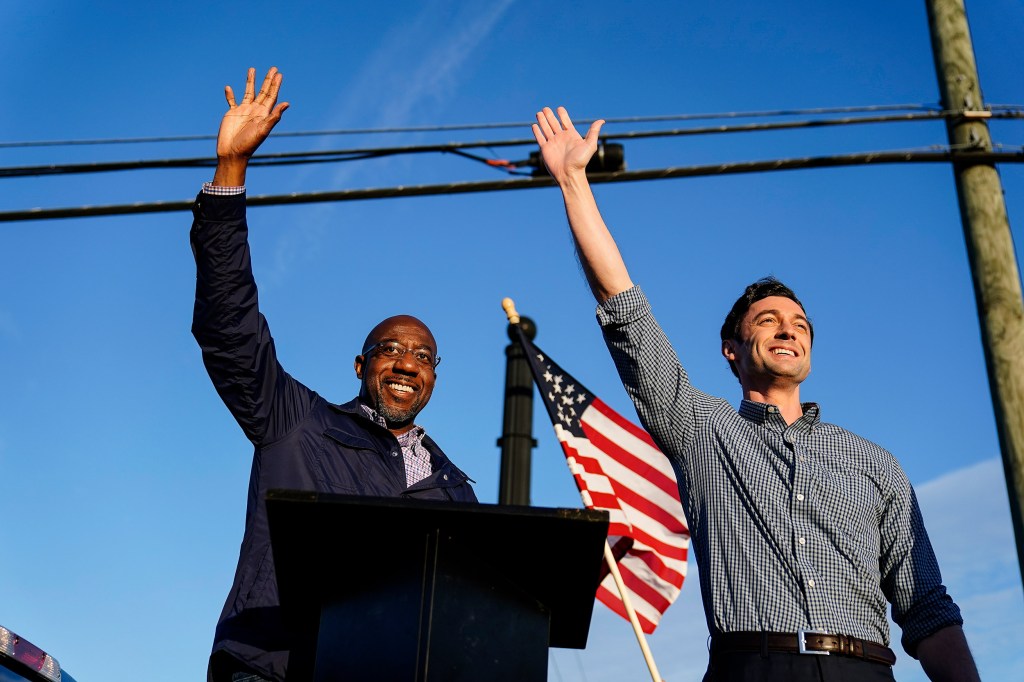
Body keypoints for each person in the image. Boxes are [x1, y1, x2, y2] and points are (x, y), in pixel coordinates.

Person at [532, 106, 980, 682]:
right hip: (752, 665)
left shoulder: (877, 464)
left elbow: (928, 609)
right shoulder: (701, 428)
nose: (787, 328)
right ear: (732, 349)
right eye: (767, 320)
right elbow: (624, 308)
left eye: (798, 322)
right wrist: (573, 182)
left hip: (866, 669)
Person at [191, 67, 478, 682]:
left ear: (435, 378)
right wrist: (231, 174)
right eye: (389, 349)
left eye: (423, 357)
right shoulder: (296, 423)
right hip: (270, 669)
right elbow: (229, 325)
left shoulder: (455, 488)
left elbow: (470, 605)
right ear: (361, 365)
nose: (406, 363)